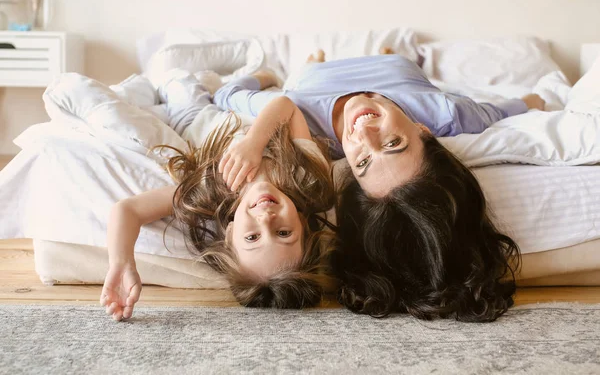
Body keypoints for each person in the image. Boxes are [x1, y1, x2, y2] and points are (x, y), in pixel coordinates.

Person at [213, 50, 545, 322]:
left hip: (314, 77)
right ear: (424, 130)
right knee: (395, 59)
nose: (365, 134)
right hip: (396, 68)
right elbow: (509, 108)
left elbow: (227, 95)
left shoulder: (303, 119)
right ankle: (388, 54)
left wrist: (266, 87)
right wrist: (538, 99)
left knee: (253, 88)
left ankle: (312, 63)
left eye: (361, 163)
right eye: (393, 144)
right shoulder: (448, 113)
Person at [100, 71, 336, 321]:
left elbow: (128, 210)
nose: (267, 220)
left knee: (179, 81)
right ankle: (263, 75)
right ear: (301, 221)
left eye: (252, 236)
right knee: (236, 90)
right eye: (284, 233)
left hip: (198, 119)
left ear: (231, 234)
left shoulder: (212, 190)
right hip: (242, 106)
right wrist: (254, 143)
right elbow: (286, 106)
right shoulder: (305, 178)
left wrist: (120, 262)